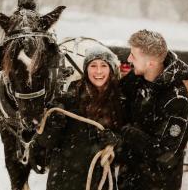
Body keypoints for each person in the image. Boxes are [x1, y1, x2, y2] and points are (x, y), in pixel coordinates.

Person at [36, 45, 126, 190]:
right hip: (64, 180)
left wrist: (116, 142)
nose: (98, 71)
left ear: (111, 69)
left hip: (100, 180)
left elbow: (128, 148)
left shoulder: (120, 102)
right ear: (86, 70)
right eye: (93, 65)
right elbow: (45, 142)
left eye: (104, 65)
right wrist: (53, 125)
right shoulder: (67, 100)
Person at [118, 29, 188, 190]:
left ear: (150, 63)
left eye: (133, 55)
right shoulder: (136, 80)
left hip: (158, 183)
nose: (129, 59)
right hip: (129, 178)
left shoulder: (176, 99)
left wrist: (128, 133)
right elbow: (115, 99)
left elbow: (165, 154)